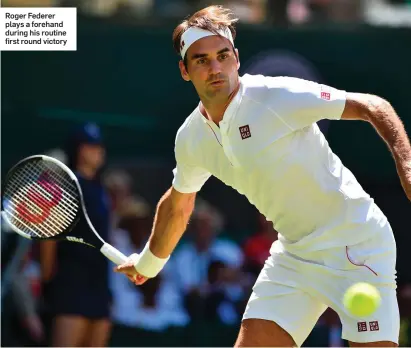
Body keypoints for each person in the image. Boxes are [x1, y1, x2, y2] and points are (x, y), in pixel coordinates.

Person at [114, 5, 411, 347]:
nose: (215, 68)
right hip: (296, 255)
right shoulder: (192, 138)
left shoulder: (276, 96)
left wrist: (406, 167)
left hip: (358, 244)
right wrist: (148, 264)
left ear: (236, 59)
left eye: (222, 56)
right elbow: (179, 205)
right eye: (201, 60)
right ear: (184, 70)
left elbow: (373, 106)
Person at [41, 123, 113, 347]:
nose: (98, 151)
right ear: (78, 150)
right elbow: (49, 236)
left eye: (99, 146)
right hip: (70, 286)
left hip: (99, 287)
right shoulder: (65, 185)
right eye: (90, 146)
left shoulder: (101, 189)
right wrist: (48, 279)